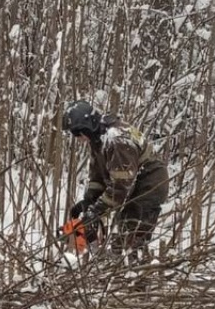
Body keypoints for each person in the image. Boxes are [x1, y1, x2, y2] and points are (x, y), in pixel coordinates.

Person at [62, 100, 168, 263]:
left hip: (149, 185)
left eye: (78, 134)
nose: (78, 139)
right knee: (121, 234)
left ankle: (134, 281)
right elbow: (98, 175)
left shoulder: (116, 139)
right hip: (134, 185)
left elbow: (120, 186)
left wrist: (96, 211)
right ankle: (123, 273)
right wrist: (88, 201)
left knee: (128, 238)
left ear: (86, 128)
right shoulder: (99, 138)